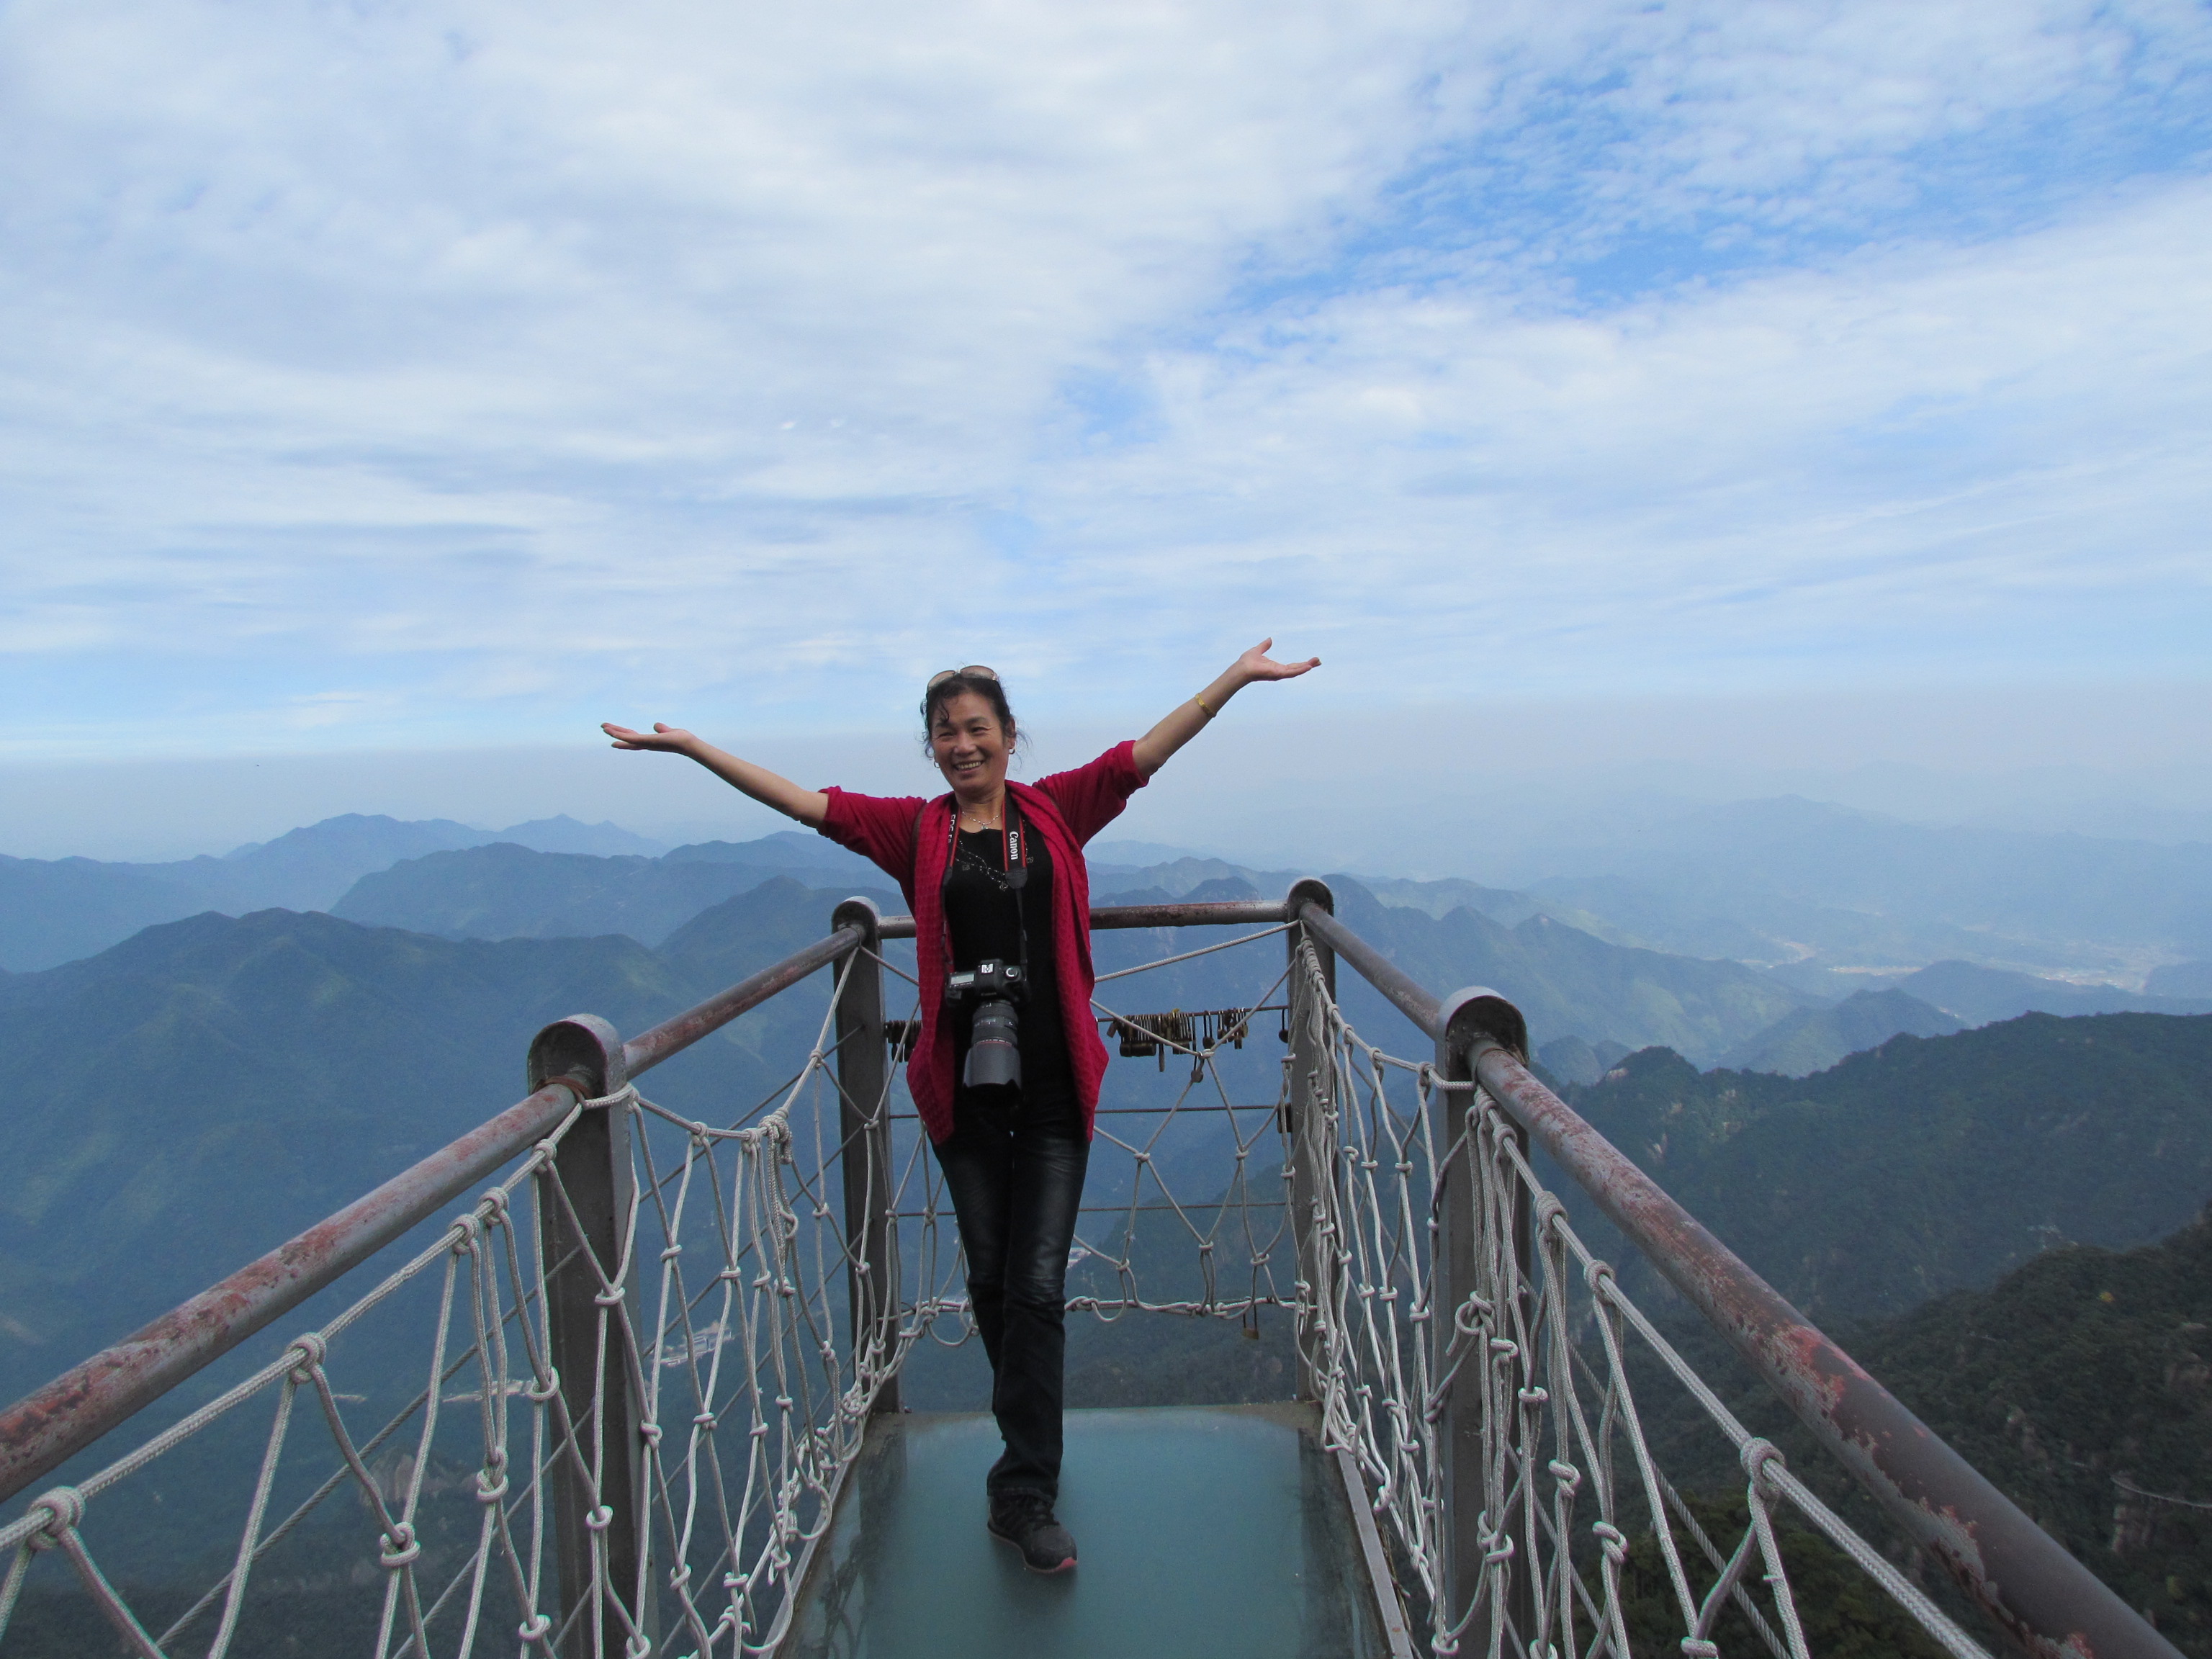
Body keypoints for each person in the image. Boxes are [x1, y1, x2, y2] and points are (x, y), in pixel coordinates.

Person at [601, 639, 1319, 1573]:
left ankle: (1023, 1492)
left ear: (1010, 735)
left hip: (1056, 1084)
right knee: (990, 1280)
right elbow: (805, 804)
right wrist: (696, 749)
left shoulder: (1057, 810)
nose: (962, 744)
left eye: (977, 728)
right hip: (964, 1085)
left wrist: (1233, 680)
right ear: (932, 746)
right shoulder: (916, 833)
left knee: (1037, 1286)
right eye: (945, 732)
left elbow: (1143, 755)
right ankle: (1026, 1451)